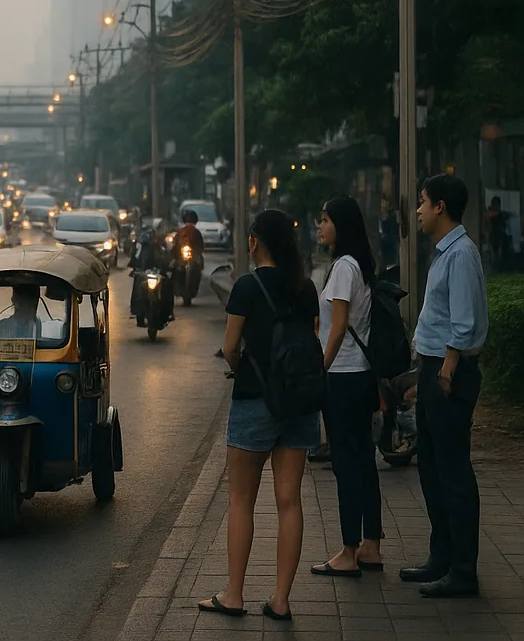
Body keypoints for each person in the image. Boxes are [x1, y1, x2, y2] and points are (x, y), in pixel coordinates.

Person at [198, 209, 319, 621]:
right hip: (298, 402)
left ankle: (234, 594)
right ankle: (281, 600)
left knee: (241, 499)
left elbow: (230, 347)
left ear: (254, 243)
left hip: (254, 399)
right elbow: (311, 339)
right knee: (289, 501)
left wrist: (239, 365)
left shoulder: (247, 286)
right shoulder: (305, 287)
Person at [401, 174, 489, 597]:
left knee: (453, 471)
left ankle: (463, 570)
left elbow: (464, 320)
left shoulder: (461, 255)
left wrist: (447, 368)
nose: (418, 210)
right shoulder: (444, 252)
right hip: (434, 367)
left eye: (423, 201)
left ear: (440, 207)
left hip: (449, 372)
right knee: (432, 466)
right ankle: (442, 556)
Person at [309, 195, 383, 577]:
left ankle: (348, 551)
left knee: (345, 463)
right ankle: (371, 546)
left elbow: (337, 328)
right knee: (364, 460)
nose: (320, 226)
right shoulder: (360, 265)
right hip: (362, 375)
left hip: (341, 376)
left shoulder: (341, 268)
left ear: (342, 224)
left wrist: (320, 369)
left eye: (325, 219)